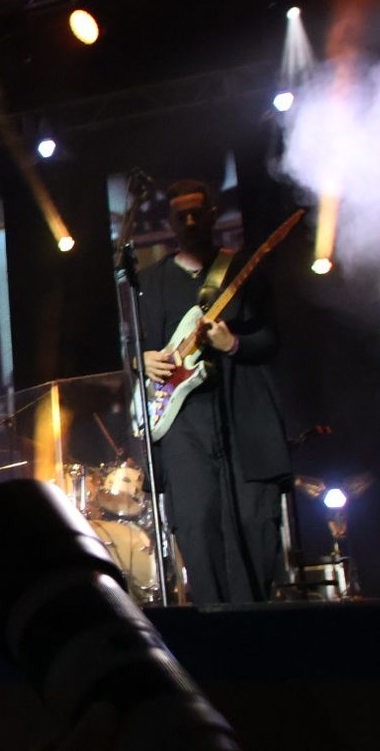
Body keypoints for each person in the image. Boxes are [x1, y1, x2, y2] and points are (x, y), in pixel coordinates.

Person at [139, 179, 290, 604]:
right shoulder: (149, 282)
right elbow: (136, 347)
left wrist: (234, 344)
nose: (188, 221)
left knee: (252, 522)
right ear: (169, 222)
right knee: (196, 522)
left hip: (241, 413)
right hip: (183, 424)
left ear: (212, 215)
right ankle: (211, 623)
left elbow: (272, 340)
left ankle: (254, 622)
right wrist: (139, 361)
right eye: (179, 215)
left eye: (196, 213)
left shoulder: (244, 269)